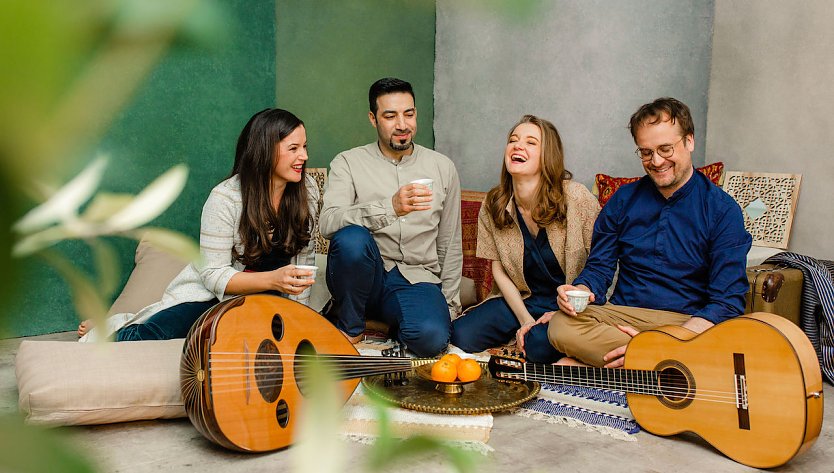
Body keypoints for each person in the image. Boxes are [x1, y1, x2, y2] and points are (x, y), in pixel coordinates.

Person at [79, 108, 319, 341]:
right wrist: (273, 279)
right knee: (157, 333)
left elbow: (304, 263)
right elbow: (212, 275)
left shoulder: (307, 191)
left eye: (305, 146)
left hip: (267, 300)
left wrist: (300, 320)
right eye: (293, 148)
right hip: (211, 297)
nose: (304, 156)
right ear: (265, 151)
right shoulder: (226, 198)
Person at [548, 97, 752, 367]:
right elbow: (599, 268)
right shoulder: (623, 200)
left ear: (689, 141)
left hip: (686, 323)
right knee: (560, 326)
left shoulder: (722, 210)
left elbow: (726, 300)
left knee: (726, 345)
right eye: (646, 152)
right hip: (623, 315)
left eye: (666, 149)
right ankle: (656, 363)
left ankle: (638, 360)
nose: (656, 161)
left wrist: (673, 340)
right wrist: (579, 292)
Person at [319, 77, 462, 357]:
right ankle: (351, 326)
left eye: (409, 114)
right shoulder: (348, 162)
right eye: (390, 116)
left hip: (415, 278)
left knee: (431, 340)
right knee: (351, 238)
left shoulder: (442, 167)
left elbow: (449, 240)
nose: (402, 125)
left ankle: (400, 321)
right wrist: (390, 208)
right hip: (365, 276)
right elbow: (328, 222)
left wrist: (450, 304)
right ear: (373, 119)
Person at [450, 115, 600, 363]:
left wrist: (565, 311)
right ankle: (525, 332)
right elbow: (498, 272)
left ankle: (544, 341)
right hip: (523, 299)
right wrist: (525, 319)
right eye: (513, 140)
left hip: (569, 306)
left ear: (547, 156)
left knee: (537, 345)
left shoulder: (576, 198)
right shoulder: (494, 202)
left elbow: (602, 262)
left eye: (531, 142)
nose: (517, 146)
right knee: (461, 335)